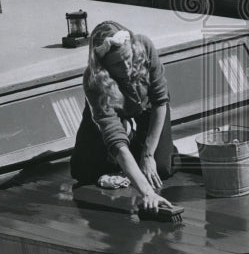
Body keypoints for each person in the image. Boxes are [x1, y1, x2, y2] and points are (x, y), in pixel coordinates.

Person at [70, 20, 174, 212]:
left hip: (148, 109)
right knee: (83, 171)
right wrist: (147, 193)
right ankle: (123, 152)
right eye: (118, 64)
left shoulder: (144, 46)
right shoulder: (94, 81)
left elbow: (160, 101)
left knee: (161, 169)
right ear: (104, 66)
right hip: (111, 111)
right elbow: (115, 137)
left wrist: (148, 154)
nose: (126, 67)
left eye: (128, 58)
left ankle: (135, 146)